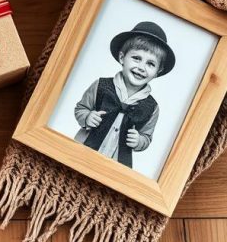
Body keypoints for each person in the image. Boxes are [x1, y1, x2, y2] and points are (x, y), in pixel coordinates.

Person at [74, 21, 175, 168]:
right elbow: (80, 108)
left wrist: (139, 141)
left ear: (158, 72)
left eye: (150, 64)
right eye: (136, 58)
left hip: (116, 164)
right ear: (122, 58)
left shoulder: (152, 107)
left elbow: (146, 137)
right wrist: (87, 117)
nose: (141, 68)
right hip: (83, 150)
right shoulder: (100, 86)